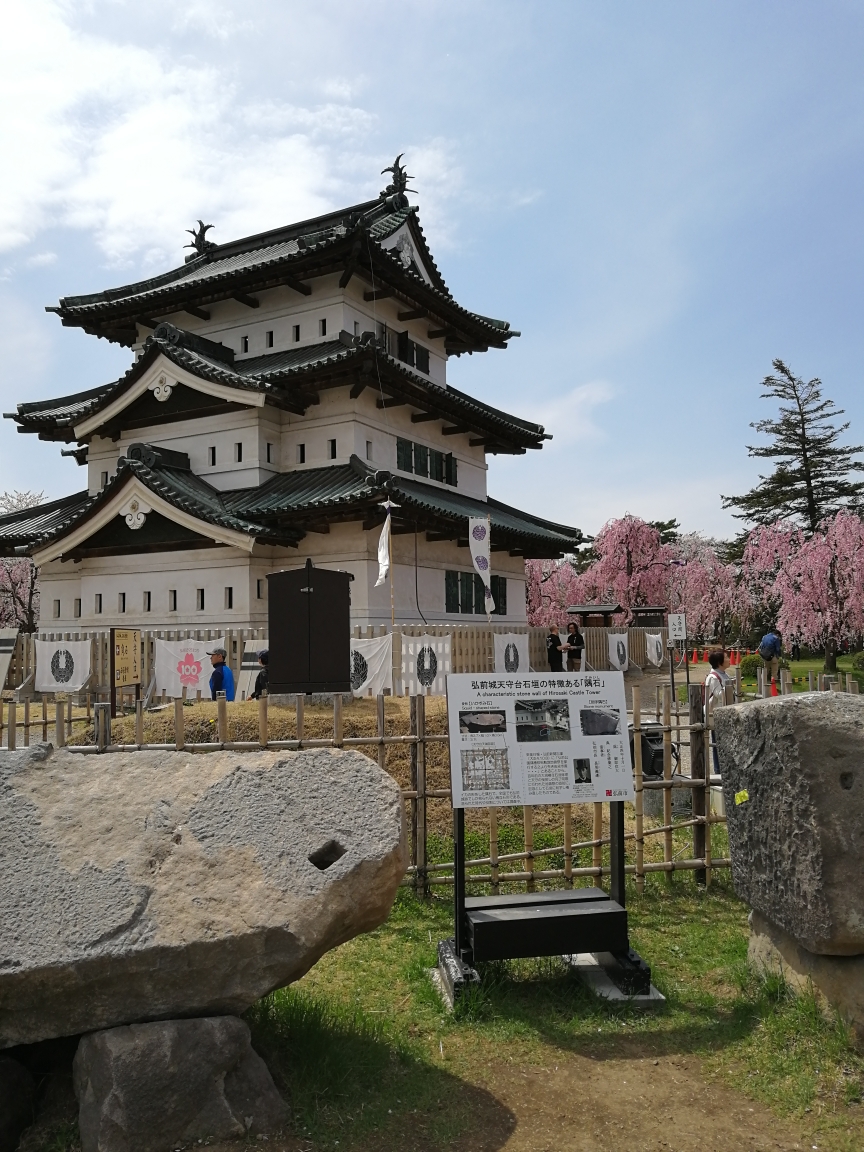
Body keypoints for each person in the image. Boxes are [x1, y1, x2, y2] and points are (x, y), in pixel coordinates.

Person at [705, 648, 732, 771]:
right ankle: (718, 769)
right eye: (726, 657)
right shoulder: (713, 677)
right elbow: (720, 695)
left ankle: (725, 768)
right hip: (716, 713)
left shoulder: (724, 674)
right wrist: (730, 687)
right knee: (718, 742)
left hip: (725, 711)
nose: (728, 659)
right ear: (719, 662)